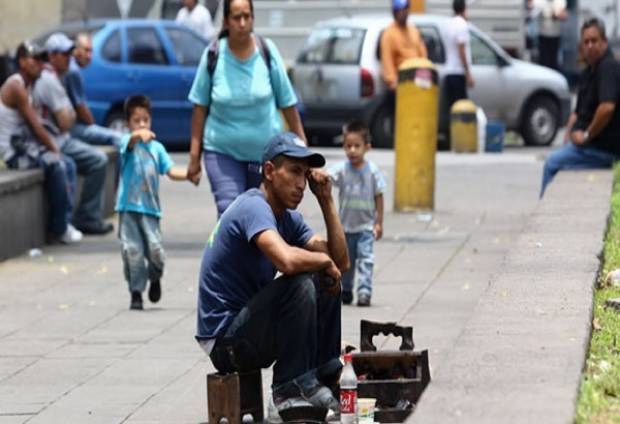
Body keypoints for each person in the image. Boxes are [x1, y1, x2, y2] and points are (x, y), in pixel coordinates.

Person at [195, 132, 350, 422]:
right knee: (303, 282)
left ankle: (324, 374)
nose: (302, 184)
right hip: (225, 342)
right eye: (293, 172)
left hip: (250, 331)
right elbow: (287, 261)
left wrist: (327, 201)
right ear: (269, 171)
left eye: (305, 175)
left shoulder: (287, 218)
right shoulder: (253, 207)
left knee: (326, 279)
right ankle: (288, 391)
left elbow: (340, 262)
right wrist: (323, 261)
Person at [187, 0, 306, 217]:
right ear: (225, 22)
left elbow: (288, 104)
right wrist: (194, 156)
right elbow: (199, 108)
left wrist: (303, 149)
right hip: (222, 151)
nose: (242, 23)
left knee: (263, 215)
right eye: (236, 17)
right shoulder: (213, 55)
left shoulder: (267, 51)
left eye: (246, 16)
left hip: (265, 157)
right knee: (230, 212)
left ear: (252, 18)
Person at [0, 41, 80, 244]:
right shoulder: (16, 86)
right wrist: (54, 150)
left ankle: (65, 222)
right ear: (22, 62)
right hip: (14, 154)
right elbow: (36, 126)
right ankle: (59, 228)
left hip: (25, 148)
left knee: (68, 164)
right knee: (58, 164)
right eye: (34, 59)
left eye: (42, 60)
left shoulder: (30, 86)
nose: (40, 64)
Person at [34, 32, 113, 235]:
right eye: (64, 54)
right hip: (55, 140)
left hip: (59, 138)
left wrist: (67, 116)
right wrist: (67, 116)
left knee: (75, 164)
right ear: (52, 56)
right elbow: (67, 121)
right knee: (98, 160)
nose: (70, 57)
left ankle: (73, 221)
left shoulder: (60, 75)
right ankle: (83, 218)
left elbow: (69, 116)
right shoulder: (51, 79)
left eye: (71, 53)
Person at [116, 95, 189, 310]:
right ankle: (136, 292)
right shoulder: (126, 143)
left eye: (145, 120)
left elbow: (170, 170)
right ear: (128, 123)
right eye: (136, 120)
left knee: (156, 251)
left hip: (150, 210)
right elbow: (128, 143)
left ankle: (155, 277)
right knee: (133, 252)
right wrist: (137, 135)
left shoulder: (157, 148)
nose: (141, 124)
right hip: (128, 209)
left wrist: (189, 174)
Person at [541, 18, 620, 196]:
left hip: (603, 150)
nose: (590, 46)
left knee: (551, 164)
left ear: (604, 42)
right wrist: (567, 141)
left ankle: (545, 217)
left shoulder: (608, 67)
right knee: (560, 159)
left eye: (594, 41)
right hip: (586, 147)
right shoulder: (589, 71)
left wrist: (585, 135)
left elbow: (607, 108)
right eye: (586, 42)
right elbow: (576, 114)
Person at [328, 121, 385, 307]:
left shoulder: (373, 172)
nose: (352, 150)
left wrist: (378, 223)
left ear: (367, 147)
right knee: (346, 262)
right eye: (348, 146)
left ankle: (364, 291)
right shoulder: (342, 169)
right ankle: (345, 289)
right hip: (345, 228)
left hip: (366, 228)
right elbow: (328, 175)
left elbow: (379, 197)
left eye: (356, 146)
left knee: (366, 260)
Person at [63, 32, 122, 148]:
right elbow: (81, 108)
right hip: (69, 130)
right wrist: (92, 126)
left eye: (91, 51)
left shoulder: (72, 68)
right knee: (119, 138)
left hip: (68, 126)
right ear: (75, 51)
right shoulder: (73, 71)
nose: (89, 55)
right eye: (86, 50)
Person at [380, 0, 428, 91]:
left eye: (406, 9)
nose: (404, 13)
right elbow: (387, 62)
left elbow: (423, 54)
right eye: (401, 10)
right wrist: (393, 82)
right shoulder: (389, 34)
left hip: (417, 83)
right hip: (400, 86)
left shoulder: (413, 30)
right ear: (395, 12)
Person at [443, 0, 474, 113]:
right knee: (462, 111)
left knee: (452, 111)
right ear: (464, 9)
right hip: (458, 73)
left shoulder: (448, 24)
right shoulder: (462, 25)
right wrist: (468, 73)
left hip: (448, 72)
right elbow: (462, 50)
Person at [533, 0, 567, 70]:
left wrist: (557, 15)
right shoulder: (539, 1)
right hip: (543, 36)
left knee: (553, 62)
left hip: (555, 36)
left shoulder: (560, 1)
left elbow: (564, 16)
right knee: (543, 62)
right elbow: (531, 6)